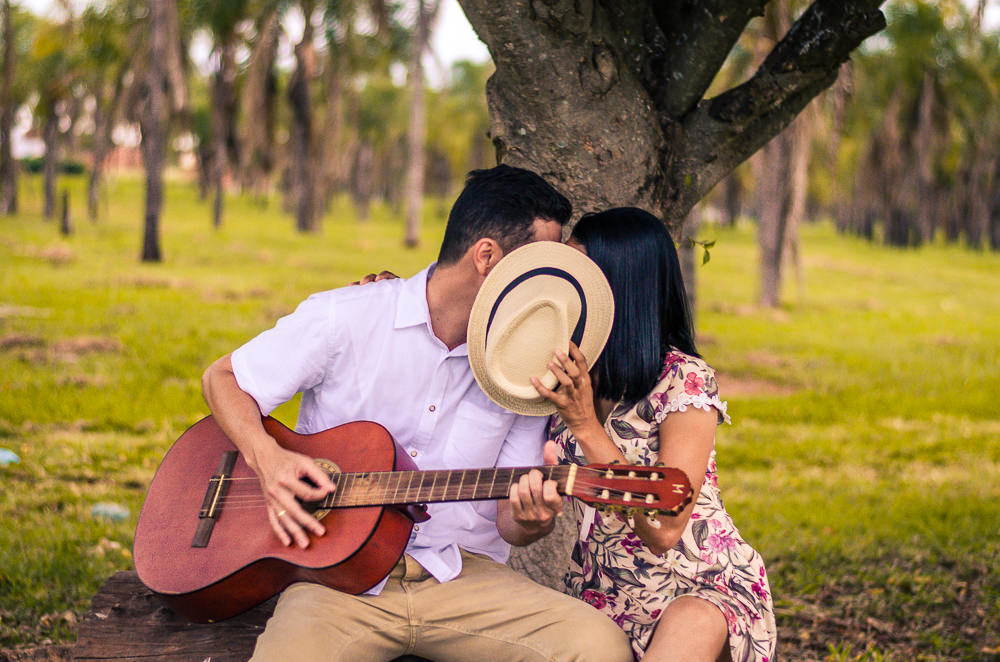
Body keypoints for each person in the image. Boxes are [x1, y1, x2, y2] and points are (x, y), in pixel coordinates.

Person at [200, 165, 633, 662]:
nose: (548, 288)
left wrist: (532, 519)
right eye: (536, 267)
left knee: (597, 647)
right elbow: (223, 380)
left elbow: (512, 525)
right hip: (335, 582)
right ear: (487, 258)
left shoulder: (525, 377)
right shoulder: (347, 318)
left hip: (464, 579)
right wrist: (269, 462)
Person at [531, 208, 777, 662]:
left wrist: (586, 426)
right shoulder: (571, 375)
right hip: (601, 594)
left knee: (692, 622)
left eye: (577, 273)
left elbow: (666, 529)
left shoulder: (684, 381)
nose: (562, 287)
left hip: (698, 587)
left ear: (619, 287)